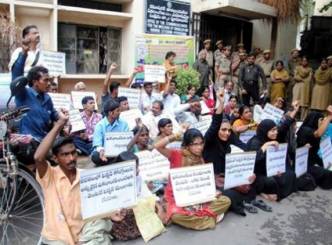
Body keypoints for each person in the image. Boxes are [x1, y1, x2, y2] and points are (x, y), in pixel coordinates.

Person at [34, 110, 113, 245]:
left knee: (102, 225)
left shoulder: (85, 176)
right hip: (57, 238)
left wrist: (111, 214)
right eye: (65, 155)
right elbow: (38, 157)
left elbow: (96, 205)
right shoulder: (49, 175)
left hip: (82, 236)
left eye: (73, 153)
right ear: (55, 158)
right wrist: (59, 124)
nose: (71, 158)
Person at [155, 128, 231, 230]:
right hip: (178, 198)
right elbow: (157, 146)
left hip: (198, 197)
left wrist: (211, 191)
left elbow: (203, 180)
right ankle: (209, 219)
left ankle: (200, 216)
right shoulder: (177, 155)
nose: (199, 147)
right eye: (195, 144)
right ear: (187, 145)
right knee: (176, 216)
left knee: (226, 200)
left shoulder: (200, 158)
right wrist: (177, 134)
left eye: (201, 143)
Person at [203, 93, 263, 216]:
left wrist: (263, 149)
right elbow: (215, 124)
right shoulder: (209, 141)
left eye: (229, 130)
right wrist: (220, 103)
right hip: (213, 178)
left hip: (228, 174)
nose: (227, 133)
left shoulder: (230, 137)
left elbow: (246, 149)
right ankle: (242, 203)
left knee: (252, 183)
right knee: (231, 195)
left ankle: (246, 200)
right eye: (223, 130)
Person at [246, 101, 300, 201]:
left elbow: (284, 125)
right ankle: (264, 193)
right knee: (272, 181)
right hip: (258, 174)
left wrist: (295, 111)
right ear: (264, 131)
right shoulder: (255, 142)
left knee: (290, 174)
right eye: (272, 130)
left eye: (276, 129)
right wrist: (265, 146)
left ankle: (275, 193)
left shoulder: (272, 136)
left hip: (270, 169)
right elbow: (253, 160)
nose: (275, 132)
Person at [10, 66, 58, 166]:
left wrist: (61, 116)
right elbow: (16, 77)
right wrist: (23, 54)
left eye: (49, 80)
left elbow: (53, 114)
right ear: (35, 81)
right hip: (30, 143)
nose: (48, 83)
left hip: (45, 141)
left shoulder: (47, 97)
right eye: (45, 80)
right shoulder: (23, 94)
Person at [297, 110, 332, 189]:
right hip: (304, 163)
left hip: (314, 159)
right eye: (321, 120)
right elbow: (318, 134)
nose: (323, 122)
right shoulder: (305, 130)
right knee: (326, 173)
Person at [92, 99, 129, 166]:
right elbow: (98, 144)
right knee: (95, 156)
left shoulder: (124, 124)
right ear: (110, 113)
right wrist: (101, 151)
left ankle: (110, 164)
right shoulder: (99, 126)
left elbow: (127, 141)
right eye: (118, 111)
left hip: (120, 151)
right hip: (105, 153)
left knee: (128, 155)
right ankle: (113, 163)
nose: (120, 112)